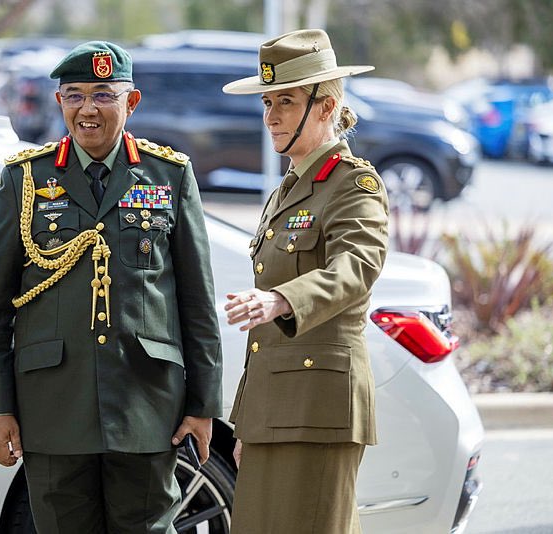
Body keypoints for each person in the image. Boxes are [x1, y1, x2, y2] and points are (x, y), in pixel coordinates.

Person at [0, 41, 222, 533]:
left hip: (146, 403)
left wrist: (203, 405)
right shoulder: (26, 179)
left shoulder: (168, 174)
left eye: (104, 95)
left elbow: (197, 303)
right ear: (59, 102)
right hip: (52, 405)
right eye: (74, 95)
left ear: (131, 102)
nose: (88, 109)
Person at [221, 29, 390, 533]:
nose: (271, 115)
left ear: (325, 107)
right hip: (275, 408)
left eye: (286, 102)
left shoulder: (352, 185)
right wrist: (247, 420)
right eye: (268, 101)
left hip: (318, 406)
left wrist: (279, 298)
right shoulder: (289, 189)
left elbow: (356, 267)